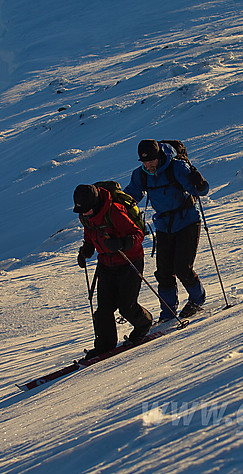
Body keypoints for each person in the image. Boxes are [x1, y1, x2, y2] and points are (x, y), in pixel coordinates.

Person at [124, 140, 210, 321]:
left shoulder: (177, 167)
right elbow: (132, 195)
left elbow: (201, 191)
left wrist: (200, 183)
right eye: (145, 162)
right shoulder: (141, 175)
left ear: (159, 156)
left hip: (187, 221)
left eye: (152, 160)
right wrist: (117, 206)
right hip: (163, 226)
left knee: (182, 268)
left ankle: (197, 299)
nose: (149, 165)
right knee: (163, 272)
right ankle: (168, 312)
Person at [74, 184, 152, 358]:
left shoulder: (114, 211)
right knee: (103, 310)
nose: (84, 214)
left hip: (129, 261)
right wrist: (86, 250)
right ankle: (104, 345)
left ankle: (144, 323)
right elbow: (89, 236)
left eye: (87, 210)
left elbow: (138, 234)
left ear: (95, 204)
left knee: (126, 306)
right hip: (106, 265)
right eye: (81, 211)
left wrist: (120, 244)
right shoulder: (86, 216)